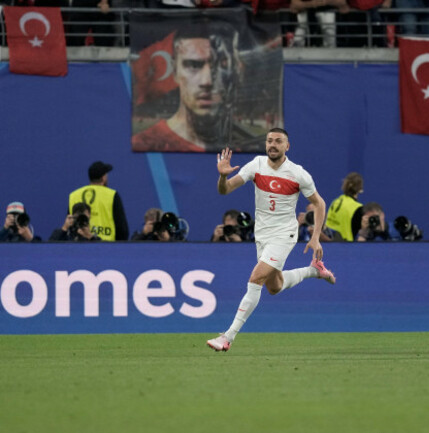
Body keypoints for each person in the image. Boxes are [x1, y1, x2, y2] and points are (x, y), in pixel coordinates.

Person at [206, 128, 336, 352]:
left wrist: (315, 238)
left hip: (284, 234)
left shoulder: (298, 174)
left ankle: (227, 337)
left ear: (288, 146)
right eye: (269, 141)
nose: (272, 145)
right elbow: (224, 191)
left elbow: (320, 204)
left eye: (278, 141)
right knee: (274, 287)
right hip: (263, 235)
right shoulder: (256, 165)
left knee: (255, 278)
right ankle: (313, 270)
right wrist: (222, 176)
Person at [131, 24, 241, 153]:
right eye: (193, 65)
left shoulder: (239, 150)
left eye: (221, 64)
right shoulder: (146, 144)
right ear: (174, 71)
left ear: (234, 70)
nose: (207, 81)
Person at [69, 161, 129, 241]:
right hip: (106, 247)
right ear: (103, 177)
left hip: (79, 246)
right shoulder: (112, 195)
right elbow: (122, 230)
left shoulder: (74, 195)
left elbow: (69, 225)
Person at [325, 171, 364, 241]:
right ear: (360, 189)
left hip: (329, 244)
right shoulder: (358, 208)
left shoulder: (335, 201)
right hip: (346, 246)